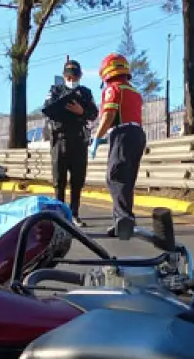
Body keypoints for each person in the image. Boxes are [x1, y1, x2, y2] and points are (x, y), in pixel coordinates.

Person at [90, 52, 146, 236]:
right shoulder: (134, 91)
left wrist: (97, 137)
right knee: (126, 178)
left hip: (122, 134)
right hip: (137, 134)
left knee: (115, 176)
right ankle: (121, 220)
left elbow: (109, 115)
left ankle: (124, 219)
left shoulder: (113, 89)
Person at [42, 59, 98, 226]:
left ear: (80, 76)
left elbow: (94, 113)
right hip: (59, 140)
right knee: (59, 180)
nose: (71, 80)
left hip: (79, 140)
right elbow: (47, 108)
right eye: (68, 77)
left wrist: (82, 111)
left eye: (74, 77)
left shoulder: (86, 93)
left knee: (77, 180)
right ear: (64, 76)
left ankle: (74, 213)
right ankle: (59, 215)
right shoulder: (55, 90)